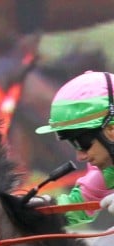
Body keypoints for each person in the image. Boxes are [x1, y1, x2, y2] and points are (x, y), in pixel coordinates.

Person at [35, 70, 114, 228]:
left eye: (83, 144)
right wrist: (41, 208)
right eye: (74, 145)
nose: (80, 157)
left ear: (111, 130)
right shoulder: (106, 171)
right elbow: (76, 208)